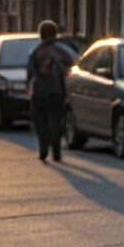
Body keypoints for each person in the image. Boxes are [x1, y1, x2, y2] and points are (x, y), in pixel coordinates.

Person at [28, 21, 75, 163]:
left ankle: (43, 149)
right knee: (55, 121)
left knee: (41, 123)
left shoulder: (37, 51)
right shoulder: (61, 51)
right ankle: (56, 152)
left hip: (39, 91)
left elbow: (31, 72)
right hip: (56, 91)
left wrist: (29, 88)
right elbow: (71, 65)